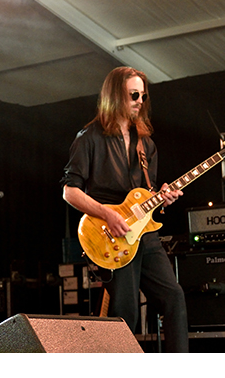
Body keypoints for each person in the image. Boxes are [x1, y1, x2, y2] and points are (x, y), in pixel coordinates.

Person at [61, 66, 188, 352]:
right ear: (115, 95)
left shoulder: (147, 145)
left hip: (145, 235)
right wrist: (107, 213)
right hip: (111, 235)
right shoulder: (89, 137)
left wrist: (162, 197)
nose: (140, 101)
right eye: (134, 94)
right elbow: (70, 191)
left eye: (143, 96)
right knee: (125, 312)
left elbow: (145, 194)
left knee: (174, 298)